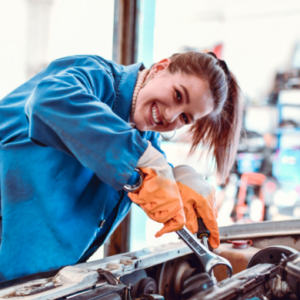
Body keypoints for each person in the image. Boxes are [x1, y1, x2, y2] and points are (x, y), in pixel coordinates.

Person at [0, 51, 242, 282]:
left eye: (185, 118)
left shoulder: (146, 140)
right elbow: (48, 102)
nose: (171, 116)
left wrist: (182, 178)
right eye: (178, 95)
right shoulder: (95, 77)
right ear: (159, 68)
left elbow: (151, 167)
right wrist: (140, 158)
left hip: (31, 282)